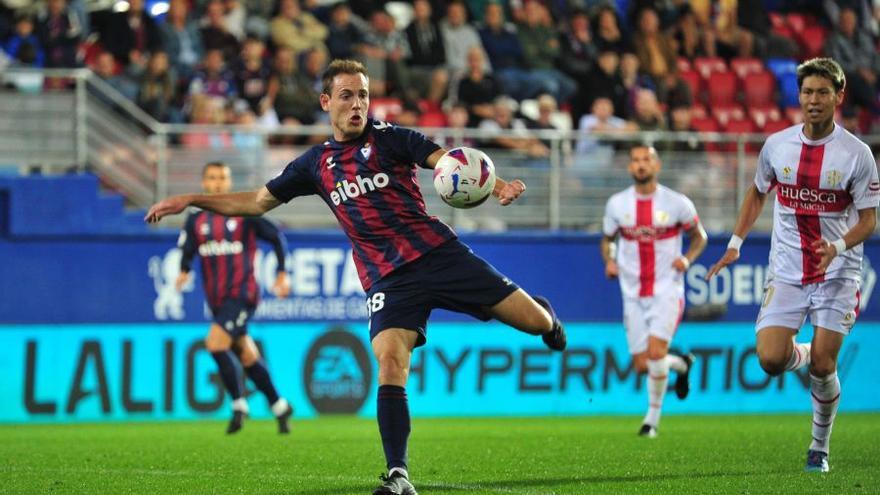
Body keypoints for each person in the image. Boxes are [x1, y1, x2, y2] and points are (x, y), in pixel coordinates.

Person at [146, 59, 566, 495]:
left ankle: (548, 319)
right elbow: (255, 202)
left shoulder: (393, 138)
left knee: (534, 323)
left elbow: (450, 162)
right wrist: (192, 199)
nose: (357, 104)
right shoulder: (315, 164)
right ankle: (398, 474)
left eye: (363, 95)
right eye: (346, 95)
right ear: (326, 102)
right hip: (388, 278)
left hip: (439, 256)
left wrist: (498, 187)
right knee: (390, 361)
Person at [706, 58, 879, 473]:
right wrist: (735, 243)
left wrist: (837, 246)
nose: (813, 100)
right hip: (787, 269)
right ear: (798, 96)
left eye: (822, 93)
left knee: (824, 365)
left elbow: (869, 220)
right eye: (807, 92)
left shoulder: (857, 155)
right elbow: (757, 192)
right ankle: (803, 352)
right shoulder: (777, 146)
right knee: (769, 360)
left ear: (838, 96)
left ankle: (819, 447)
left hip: (838, 271)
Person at [176, 161, 294, 434]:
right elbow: (188, 250)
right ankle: (279, 406)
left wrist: (281, 273)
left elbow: (276, 237)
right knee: (246, 355)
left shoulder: (244, 212)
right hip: (216, 299)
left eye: (222, 177)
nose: (217, 183)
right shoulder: (195, 220)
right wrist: (183, 270)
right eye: (212, 177)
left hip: (242, 294)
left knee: (215, 343)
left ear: (228, 182)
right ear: (204, 182)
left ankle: (239, 405)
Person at [601, 144, 706, 438]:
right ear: (629, 167)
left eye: (646, 159)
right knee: (641, 365)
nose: (641, 165)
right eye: (635, 160)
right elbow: (607, 239)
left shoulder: (677, 203)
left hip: (666, 289)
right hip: (632, 292)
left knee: (657, 353)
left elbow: (699, 237)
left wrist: (687, 259)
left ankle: (651, 421)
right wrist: (609, 260)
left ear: (657, 165)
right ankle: (681, 364)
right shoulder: (617, 204)